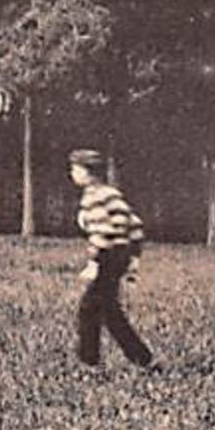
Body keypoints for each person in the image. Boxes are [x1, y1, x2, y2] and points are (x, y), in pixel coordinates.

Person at [68, 149, 155, 371]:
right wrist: (133, 258)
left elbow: (103, 231)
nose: (72, 173)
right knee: (108, 310)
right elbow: (134, 224)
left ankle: (90, 363)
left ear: (88, 173)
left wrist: (94, 262)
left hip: (108, 256)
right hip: (120, 255)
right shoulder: (111, 194)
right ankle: (143, 359)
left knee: (88, 309)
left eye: (76, 169)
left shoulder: (94, 197)